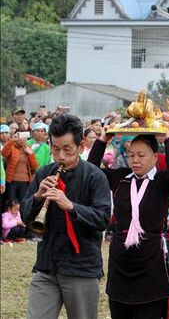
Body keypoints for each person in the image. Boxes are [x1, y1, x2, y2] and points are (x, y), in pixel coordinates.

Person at [21, 114, 111, 319]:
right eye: (55, 148)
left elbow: (103, 218)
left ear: (81, 147)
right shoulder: (44, 173)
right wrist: (37, 197)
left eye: (67, 149)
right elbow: (25, 217)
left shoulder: (96, 176)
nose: (60, 156)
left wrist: (70, 206)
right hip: (46, 265)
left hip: (81, 268)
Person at [88, 126, 169, 319]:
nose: (135, 160)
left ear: (155, 157)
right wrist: (102, 141)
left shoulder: (162, 181)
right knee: (120, 309)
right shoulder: (121, 177)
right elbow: (91, 170)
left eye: (141, 155)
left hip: (151, 257)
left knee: (150, 311)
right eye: (131, 155)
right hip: (122, 256)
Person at [2, 133, 38, 206]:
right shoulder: (12, 146)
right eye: (21, 137)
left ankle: (22, 217)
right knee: (11, 202)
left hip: (25, 181)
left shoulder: (27, 148)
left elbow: (34, 167)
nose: (23, 139)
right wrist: (12, 140)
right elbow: (4, 153)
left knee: (23, 203)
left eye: (25, 138)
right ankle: (10, 217)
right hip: (12, 180)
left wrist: (31, 154)